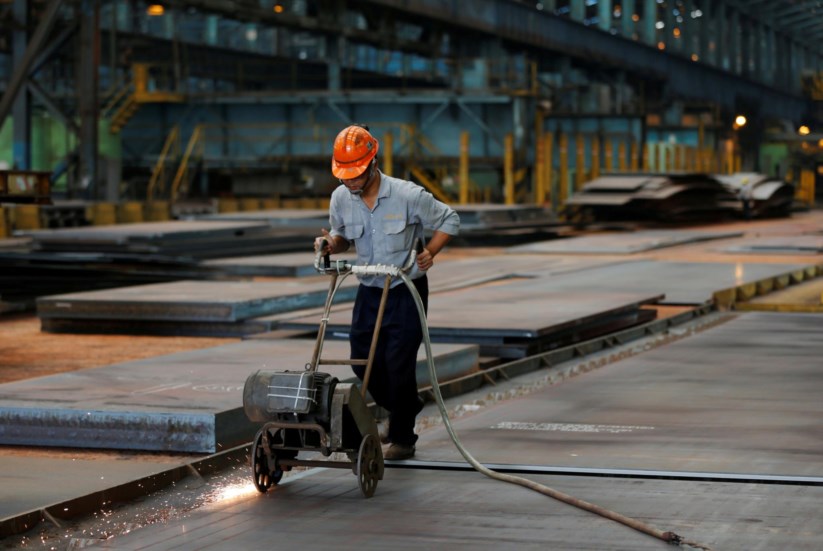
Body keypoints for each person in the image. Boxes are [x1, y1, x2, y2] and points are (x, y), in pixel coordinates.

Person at [314, 124, 460, 460]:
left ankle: (402, 436)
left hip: (404, 289)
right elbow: (342, 236)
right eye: (344, 175)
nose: (350, 181)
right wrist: (330, 245)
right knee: (361, 361)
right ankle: (404, 405)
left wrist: (430, 252)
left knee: (398, 363)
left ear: (373, 162)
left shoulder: (408, 195)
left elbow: (450, 219)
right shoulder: (340, 198)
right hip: (368, 289)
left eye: (356, 174)